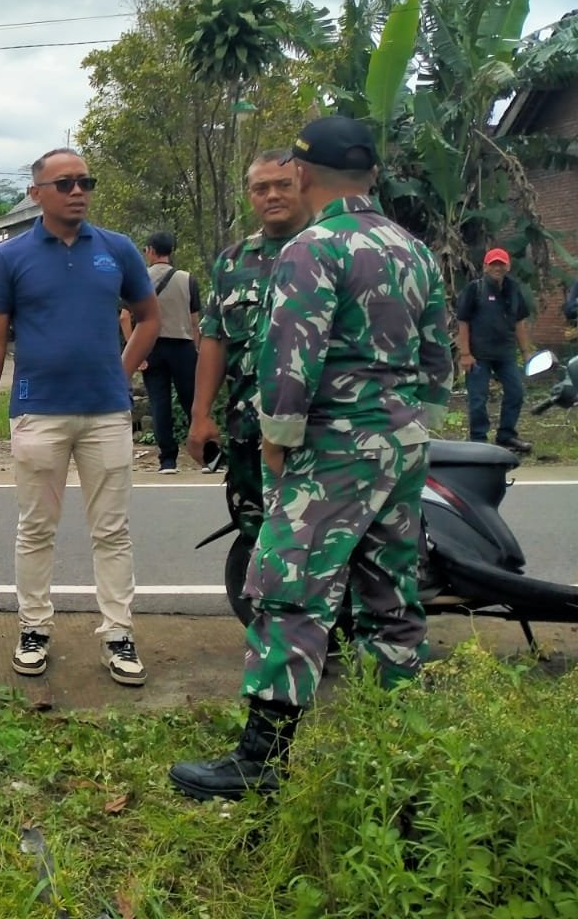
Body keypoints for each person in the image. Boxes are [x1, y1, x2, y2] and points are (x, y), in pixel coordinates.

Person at [170, 115, 452, 801]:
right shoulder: (413, 249)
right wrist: (416, 426)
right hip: (402, 443)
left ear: (300, 174)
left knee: (289, 591)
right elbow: (438, 355)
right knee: (391, 596)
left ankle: (260, 760)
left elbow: (291, 358)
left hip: (333, 449)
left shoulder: (312, 248)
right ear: (372, 174)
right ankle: (401, 753)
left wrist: (277, 440)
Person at [0, 148, 161, 687]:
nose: (77, 191)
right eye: (64, 183)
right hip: (38, 413)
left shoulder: (117, 250)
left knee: (113, 530)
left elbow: (148, 317)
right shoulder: (10, 257)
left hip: (106, 414)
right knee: (36, 528)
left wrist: (121, 373)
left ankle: (119, 634)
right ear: (36, 194)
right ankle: (34, 628)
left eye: (85, 182)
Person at [186, 153, 311, 541]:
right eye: (261, 188)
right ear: (249, 195)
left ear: (304, 184)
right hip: (248, 431)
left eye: (283, 185)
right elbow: (214, 340)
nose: (272, 195)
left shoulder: (328, 250)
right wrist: (200, 415)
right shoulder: (232, 262)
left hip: (316, 432)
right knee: (256, 535)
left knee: (318, 540)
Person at [120, 231, 200, 473]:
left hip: (151, 347)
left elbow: (124, 317)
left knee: (159, 402)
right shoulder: (188, 279)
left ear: (151, 251)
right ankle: (207, 455)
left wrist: (136, 349)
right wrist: (197, 349)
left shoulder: (139, 279)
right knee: (192, 401)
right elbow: (195, 321)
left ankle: (168, 460)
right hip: (183, 346)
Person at [456, 248, 535, 454]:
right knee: (478, 399)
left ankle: (506, 436)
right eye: (493, 264)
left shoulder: (513, 289)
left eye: (501, 264)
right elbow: (463, 322)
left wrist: (526, 352)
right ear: (485, 267)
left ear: (508, 266)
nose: (497, 268)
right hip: (478, 356)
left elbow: (519, 323)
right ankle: (478, 441)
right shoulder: (475, 289)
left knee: (516, 392)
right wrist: (465, 354)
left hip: (505, 354)